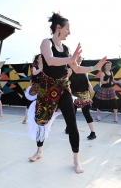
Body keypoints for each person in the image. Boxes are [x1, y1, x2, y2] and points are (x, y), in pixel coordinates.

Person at [26, 12, 107, 174]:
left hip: (63, 88)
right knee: (42, 120)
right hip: (47, 89)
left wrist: (94, 68)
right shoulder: (46, 43)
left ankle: (76, 160)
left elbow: (76, 68)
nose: (69, 32)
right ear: (59, 28)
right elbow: (49, 60)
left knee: (72, 123)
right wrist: (71, 59)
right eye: (67, 28)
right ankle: (39, 151)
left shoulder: (66, 49)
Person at [65, 56, 97, 140]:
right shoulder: (70, 70)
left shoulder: (84, 69)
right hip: (74, 95)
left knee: (86, 112)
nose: (80, 59)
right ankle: (69, 128)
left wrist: (90, 86)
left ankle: (93, 132)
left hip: (85, 94)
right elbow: (66, 82)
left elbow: (87, 80)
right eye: (78, 57)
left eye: (81, 58)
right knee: (72, 113)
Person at [23, 54, 43, 124]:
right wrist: (40, 69)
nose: (43, 57)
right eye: (41, 57)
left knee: (43, 103)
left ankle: (43, 118)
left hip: (43, 88)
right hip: (35, 87)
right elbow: (34, 73)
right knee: (29, 103)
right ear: (37, 60)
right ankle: (25, 118)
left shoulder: (46, 68)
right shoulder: (35, 67)